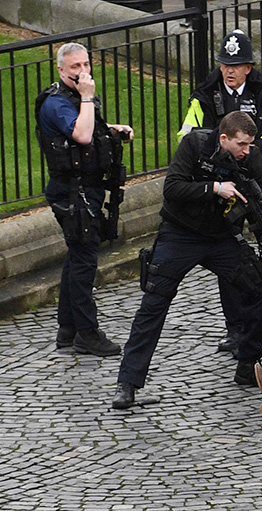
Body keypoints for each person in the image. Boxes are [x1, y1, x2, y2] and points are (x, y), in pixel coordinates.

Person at [111, 111, 262, 409]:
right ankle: (127, 384)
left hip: (221, 237)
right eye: (242, 145)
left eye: (250, 145)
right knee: (154, 303)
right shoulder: (194, 146)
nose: (247, 151)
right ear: (224, 139)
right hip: (180, 234)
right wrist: (213, 188)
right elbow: (172, 188)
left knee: (260, 284)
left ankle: (248, 363)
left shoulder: (250, 157)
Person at [179, 29, 262, 350]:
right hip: (225, 192)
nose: (229, 70)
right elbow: (187, 137)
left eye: (236, 64)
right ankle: (235, 329)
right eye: (224, 64)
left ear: (249, 67)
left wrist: (258, 149)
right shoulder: (205, 94)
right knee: (228, 262)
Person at [36, 42, 133, 357]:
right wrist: (89, 96)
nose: (82, 72)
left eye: (86, 65)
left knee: (77, 256)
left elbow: (90, 129)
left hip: (84, 190)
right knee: (84, 262)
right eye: (75, 67)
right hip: (72, 193)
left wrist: (114, 129)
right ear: (61, 70)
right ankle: (87, 334)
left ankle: (68, 330)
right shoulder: (57, 103)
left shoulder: (77, 98)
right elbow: (81, 135)